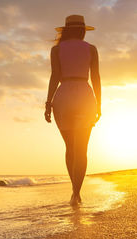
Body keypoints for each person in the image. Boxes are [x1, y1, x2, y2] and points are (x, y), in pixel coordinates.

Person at [44, 15, 101, 206]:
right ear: (83, 30)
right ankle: (77, 192)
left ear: (65, 30)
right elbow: (96, 78)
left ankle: (74, 191)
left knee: (70, 148)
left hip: (64, 95)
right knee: (82, 149)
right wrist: (99, 105)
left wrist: (48, 103)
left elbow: (54, 76)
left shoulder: (56, 49)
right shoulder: (91, 49)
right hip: (85, 95)